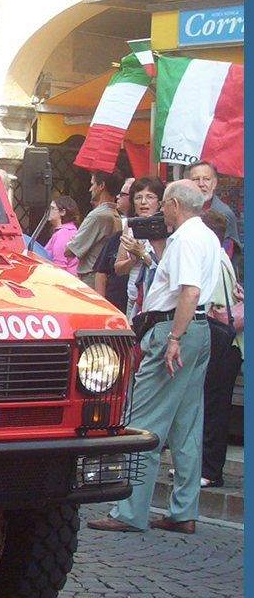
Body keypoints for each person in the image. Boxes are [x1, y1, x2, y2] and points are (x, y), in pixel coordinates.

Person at [88, 179, 220, 534]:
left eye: (163, 203)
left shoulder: (189, 238)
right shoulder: (203, 235)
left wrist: (174, 337)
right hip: (197, 328)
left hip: (175, 328)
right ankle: (183, 511)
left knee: (144, 420)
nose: (160, 209)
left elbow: (187, 290)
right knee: (188, 424)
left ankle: (129, 511)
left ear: (176, 204)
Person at [199, 208, 243, 489]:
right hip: (230, 341)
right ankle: (206, 467)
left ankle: (211, 470)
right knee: (213, 405)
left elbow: (210, 302)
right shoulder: (222, 256)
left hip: (220, 338)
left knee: (213, 406)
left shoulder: (212, 257)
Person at [113, 176, 166, 321]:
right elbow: (118, 269)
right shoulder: (129, 226)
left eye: (150, 197)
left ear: (160, 201)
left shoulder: (166, 226)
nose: (143, 202)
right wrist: (133, 260)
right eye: (138, 197)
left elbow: (165, 269)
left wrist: (143, 254)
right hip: (133, 297)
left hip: (156, 299)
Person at [65, 169, 124, 289]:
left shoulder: (98, 216)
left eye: (92, 184)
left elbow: (69, 251)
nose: (90, 189)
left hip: (91, 277)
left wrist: (74, 239)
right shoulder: (114, 215)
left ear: (101, 185)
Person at [187, 160, 242, 265]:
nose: (201, 184)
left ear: (215, 183)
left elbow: (225, 257)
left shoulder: (223, 214)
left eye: (206, 179)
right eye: (196, 179)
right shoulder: (183, 210)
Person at [92, 177, 134, 310]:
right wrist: (102, 306)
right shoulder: (116, 238)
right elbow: (101, 271)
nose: (117, 197)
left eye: (123, 194)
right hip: (113, 306)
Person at [45, 196, 79, 276]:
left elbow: (59, 266)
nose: (49, 211)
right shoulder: (69, 231)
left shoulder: (64, 233)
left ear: (63, 212)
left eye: (52, 208)